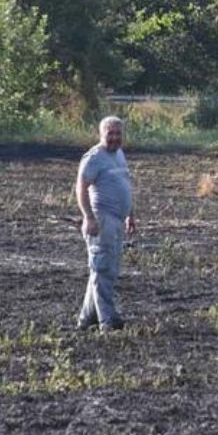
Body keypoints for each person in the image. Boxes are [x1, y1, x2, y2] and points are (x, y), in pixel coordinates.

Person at [75, 116, 136, 331]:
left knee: (103, 269)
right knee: (103, 270)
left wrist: (130, 215)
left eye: (118, 133)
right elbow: (81, 188)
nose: (115, 138)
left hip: (118, 220)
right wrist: (89, 217)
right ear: (101, 134)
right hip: (101, 220)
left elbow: (125, 184)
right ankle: (107, 320)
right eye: (110, 133)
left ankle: (86, 318)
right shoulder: (93, 158)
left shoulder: (119, 155)